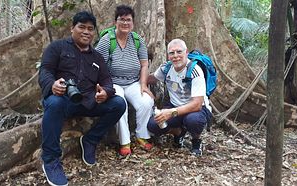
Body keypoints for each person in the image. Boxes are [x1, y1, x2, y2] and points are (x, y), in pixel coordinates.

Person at [38, 11, 126, 186]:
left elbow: (107, 81)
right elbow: (45, 71)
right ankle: (51, 160)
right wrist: (53, 84)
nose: (86, 32)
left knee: (118, 104)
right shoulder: (57, 47)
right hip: (62, 99)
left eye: (90, 29)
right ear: (72, 28)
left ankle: (90, 140)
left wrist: (106, 93)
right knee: (54, 103)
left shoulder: (97, 57)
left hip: (87, 101)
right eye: (82, 27)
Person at [96, 5, 154, 156]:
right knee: (120, 104)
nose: (125, 23)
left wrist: (143, 84)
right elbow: (97, 65)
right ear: (115, 22)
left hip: (133, 82)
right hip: (113, 82)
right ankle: (125, 141)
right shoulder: (107, 40)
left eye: (128, 20)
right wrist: (101, 86)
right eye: (121, 19)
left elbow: (144, 63)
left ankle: (142, 135)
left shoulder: (137, 40)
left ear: (133, 23)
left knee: (146, 102)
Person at [147, 39, 212, 157]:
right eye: (172, 53)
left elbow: (197, 104)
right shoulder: (166, 69)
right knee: (153, 125)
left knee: (193, 121)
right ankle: (179, 132)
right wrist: (136, 81)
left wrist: (171, 112)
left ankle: (196, 141)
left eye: (179, 52)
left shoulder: (195, 71)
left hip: (196, 109)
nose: (175, 56)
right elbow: (152, 78)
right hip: (175, 106)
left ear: (186, 52)